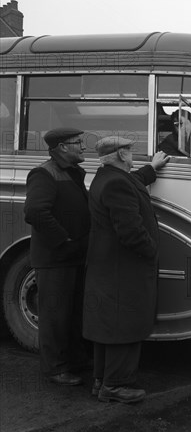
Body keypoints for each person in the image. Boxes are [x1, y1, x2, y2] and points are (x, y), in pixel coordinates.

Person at [83, 137, 169, 404]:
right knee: (125, 325)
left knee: (108, 326)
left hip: (110, 267)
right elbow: (130, 230)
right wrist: (151, 250)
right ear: (121, 154)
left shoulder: (107, 177)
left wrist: (152, 167)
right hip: (125, 268)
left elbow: (135, 181)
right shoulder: (117, 183)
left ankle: (101, 380)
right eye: (130, 151)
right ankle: (116, 386)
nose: (133, 155)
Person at [23, 127, 90, 386]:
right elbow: (35, 212)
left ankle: (75, 360)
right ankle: (55, 368)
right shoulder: (44, 173)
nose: (83, 147)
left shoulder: (72, 172)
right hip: (55, 258)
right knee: (55, 316)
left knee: (73, 314)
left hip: (73, 257)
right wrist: (64, 241)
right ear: (62, 147)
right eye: (78, 143)